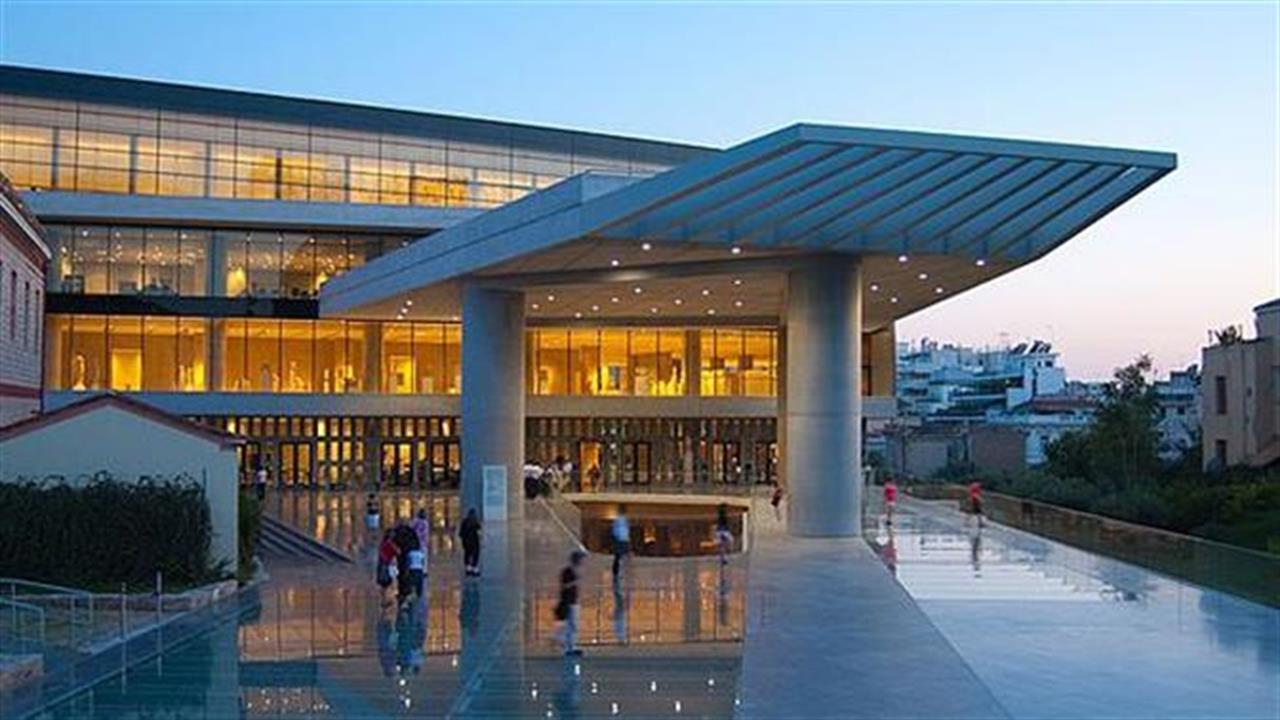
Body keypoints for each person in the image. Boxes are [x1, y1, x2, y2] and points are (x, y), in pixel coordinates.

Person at [554, 549, 586, 656]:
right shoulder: (567, 571)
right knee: (569, 625)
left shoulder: (575, 571)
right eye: (580, 559)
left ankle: (572, 646)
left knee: (574, 625)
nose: (581, 562)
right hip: (568, 602)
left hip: (574, 601)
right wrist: (575, 581)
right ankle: (567, 648)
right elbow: (565, 586)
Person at [376, 529, 400, 605]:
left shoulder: (383, 543)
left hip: (382, 564)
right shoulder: (390, 543)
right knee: (390, 581)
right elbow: (398, 552)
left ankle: (384, 599)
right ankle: (389, 598)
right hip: (388, 564)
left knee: (384, 584)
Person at [459, 508, 482, 576]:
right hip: (474, 542)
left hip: (466, 542)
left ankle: (468, 568)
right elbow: (479, 533)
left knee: (467, 554)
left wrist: (463, 540)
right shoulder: (476, 522)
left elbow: (461, 533)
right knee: (475, 554)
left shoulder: (464, 522)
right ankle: (474, 568)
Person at [611, 505, 631, 582]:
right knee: (621, 557)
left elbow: (615, 531)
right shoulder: (624, 520)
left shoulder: (619, 520)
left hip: (620, 540)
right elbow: (626, 531)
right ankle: (619, 573)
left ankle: (617, 573)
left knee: (619, 557)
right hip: (623, 540)